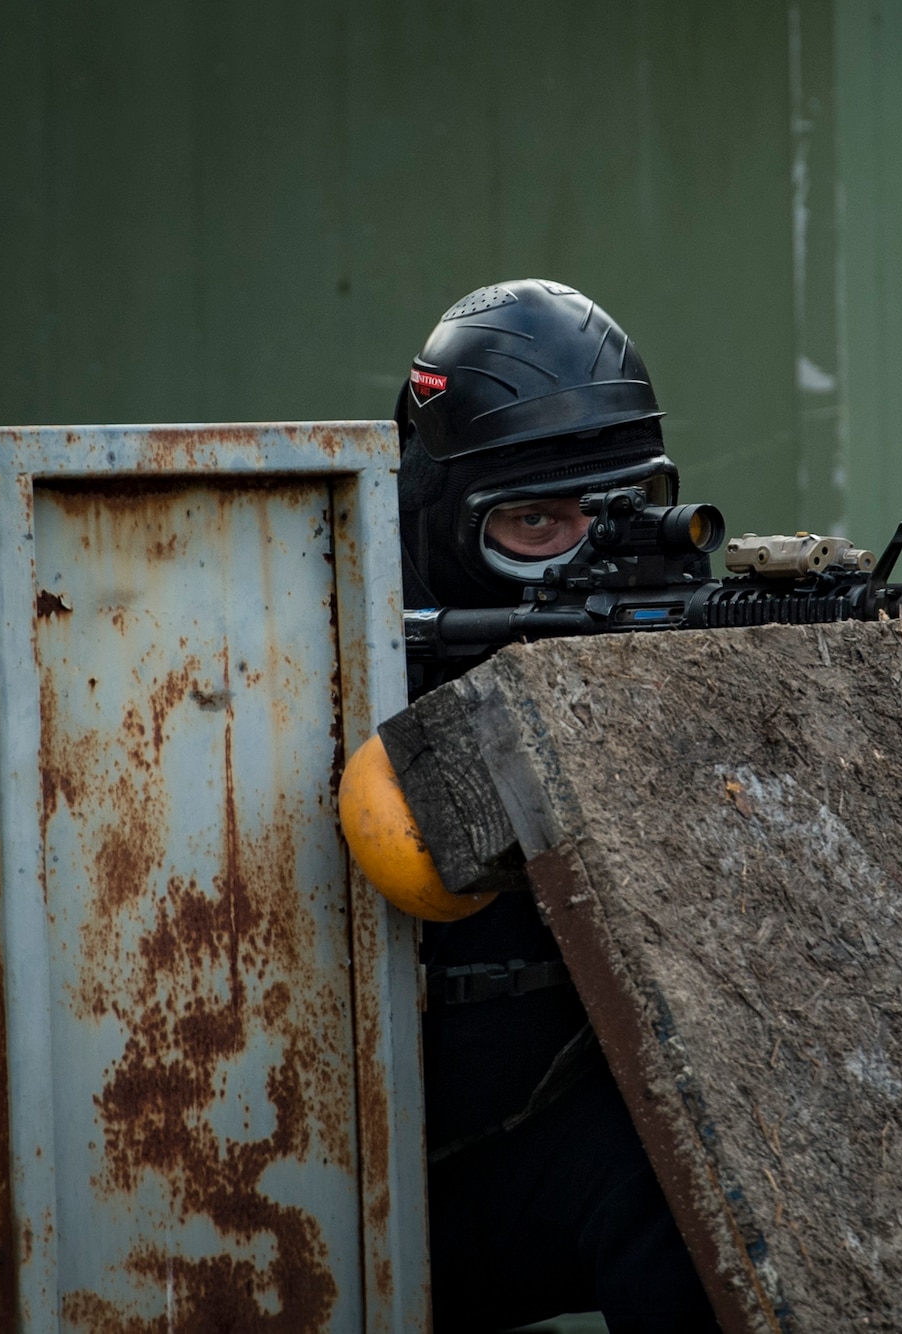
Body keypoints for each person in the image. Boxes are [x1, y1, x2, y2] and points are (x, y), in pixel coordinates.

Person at [393, 278, 722, 1334]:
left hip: (555, 1135)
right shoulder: (325, 662)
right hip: (373, 1164)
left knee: (696, 1196)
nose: (583, 561)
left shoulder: (661, 650)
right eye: (535, 523)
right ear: (441, 523)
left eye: (617, 515)